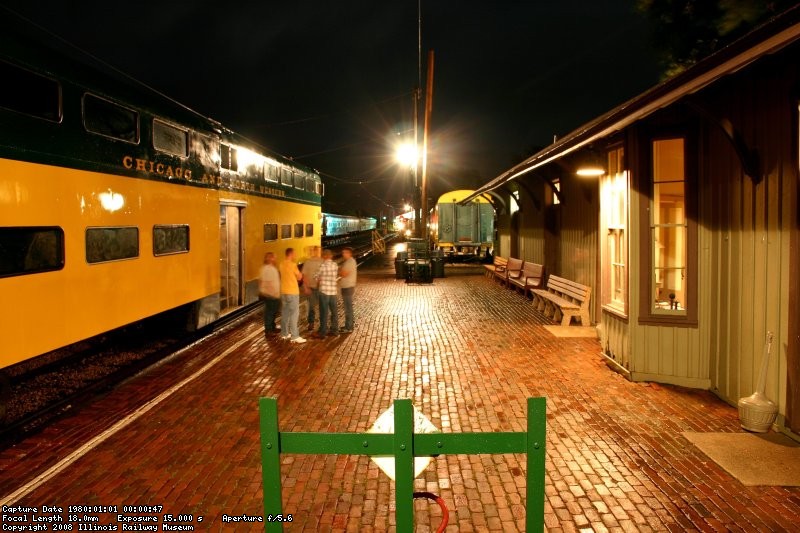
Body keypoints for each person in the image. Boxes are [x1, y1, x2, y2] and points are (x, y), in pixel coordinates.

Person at [279, 248, 306, 344]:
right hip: (292, 292)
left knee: (285, 313)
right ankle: (295, 336)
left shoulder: (281, 264)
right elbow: (299, 277)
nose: (295, 255)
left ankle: (284, 333)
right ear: (290, 254)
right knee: (294, 314)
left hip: (283, 292)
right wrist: (301, 274)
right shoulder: (293, 265)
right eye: (294, 254)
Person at [314, 249, 339, 338]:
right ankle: (335, 330)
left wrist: (318, 280)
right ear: (331, 256)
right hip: (333, 291)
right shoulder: (335, 265)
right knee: (334, 312)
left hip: (324, 292)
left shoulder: (323, 266)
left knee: (324, 312)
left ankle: (323, 332)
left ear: (324, 256)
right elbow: (335, 276)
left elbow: (317, 278)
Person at [258, 252, 281, 337]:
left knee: (273, 311)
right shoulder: (267, 269)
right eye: (274, 257)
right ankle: (268, 329)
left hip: (274, 294)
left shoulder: (272, 268)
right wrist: (271, 292)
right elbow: (265, 282)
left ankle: (272, 326)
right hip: (271, 294)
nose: (275, 259)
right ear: (270, 259)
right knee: (270, 312)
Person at [301, 246, 323, 332]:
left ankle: (322, 324)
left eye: (319, 251)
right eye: (317, 251)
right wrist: (306, 287)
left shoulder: (323, 261)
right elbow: (304, 276)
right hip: (311, 288)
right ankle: (311, 322)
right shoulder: (308, 262)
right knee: (311, 307)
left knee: (322, 307)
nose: (318, 253)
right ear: (314, 252)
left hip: (321, 288)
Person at [339, 247, 357, 333]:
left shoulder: (350, 262)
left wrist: (340, 271)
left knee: (348, 308)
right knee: (348, 307)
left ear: (349, 253)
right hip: (347, 287)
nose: (343, 254)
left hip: (347, 287)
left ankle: (349, 327)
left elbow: (343, 274)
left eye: (345, 252)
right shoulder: (349, 261)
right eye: (343, 252)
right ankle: (349, 325)